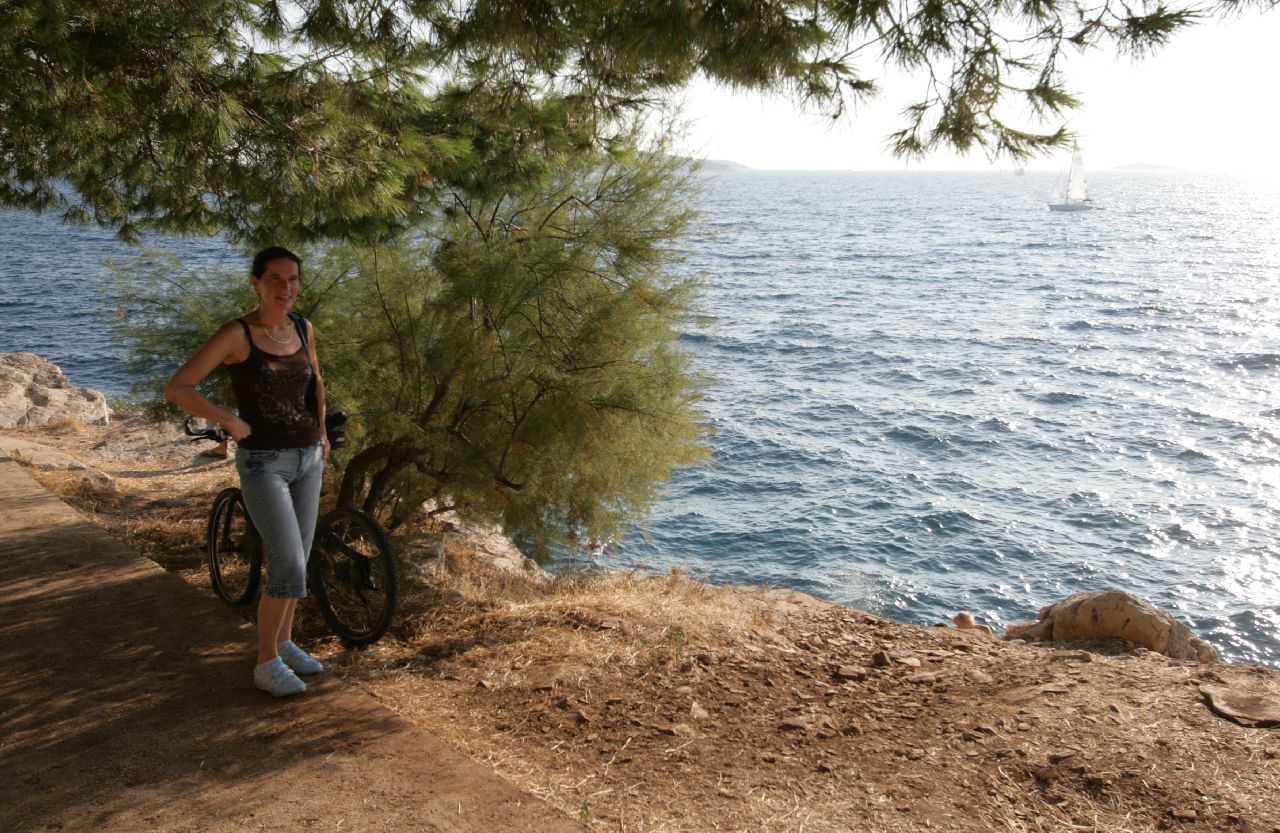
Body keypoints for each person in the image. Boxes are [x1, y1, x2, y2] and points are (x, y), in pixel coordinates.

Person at [165, 247, 330, 696]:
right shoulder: (237, 334)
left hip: (308, 458)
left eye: (292, 279)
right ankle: (266, 662)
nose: (286, 288)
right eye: (275, 279)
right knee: (287, 562)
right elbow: (178, 388)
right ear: (256, 283)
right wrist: (229, 421)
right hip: (263, 463)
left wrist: (322, 434)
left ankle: (285, 642)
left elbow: (316, 380)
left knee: (300, 558)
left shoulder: (302, 326)